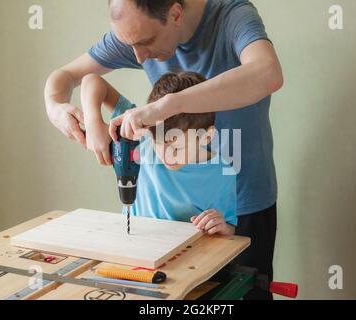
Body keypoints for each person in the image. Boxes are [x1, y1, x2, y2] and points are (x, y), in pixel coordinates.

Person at [44, 0, 283, 299]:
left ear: (175, 14)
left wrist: (165, 107)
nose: (139, 57)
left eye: (145, 42)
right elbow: (68, 77)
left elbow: (268, 73)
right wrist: (68, 113)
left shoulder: (233, 16)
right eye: (129, 44)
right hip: (163, 234)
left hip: (244, 204)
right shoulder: (137, 28)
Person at [81, 71, 237, 235]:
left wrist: (221, 226)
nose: (166, 155)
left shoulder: (222, 173)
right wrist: (92, 122)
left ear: (206, 136)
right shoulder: (142, 132)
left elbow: (228, 230)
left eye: (177, 148)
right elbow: (91, 80)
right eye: (158, 143)